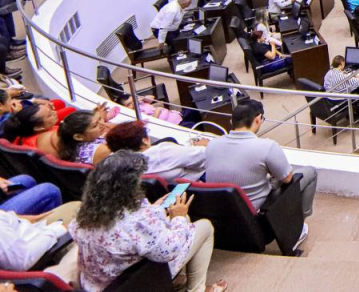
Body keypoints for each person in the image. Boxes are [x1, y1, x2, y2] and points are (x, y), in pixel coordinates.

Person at [69, 150, 225, 292]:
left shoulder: (85, 213)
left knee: (181, 221)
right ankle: (197, 289)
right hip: (135, 282)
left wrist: (156, 209)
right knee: (204, 226)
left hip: (98, 283)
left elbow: (132, 228)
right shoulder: (137, 221)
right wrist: (178, 216)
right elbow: (171, 250)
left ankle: (176, 280)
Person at [206, 99, 318, 222]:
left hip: (223, 213)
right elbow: (287, 178)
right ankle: (298, 224)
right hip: (255, 213)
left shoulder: (212, 145)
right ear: (258, 119)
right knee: (310, 172)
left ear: (233, 121)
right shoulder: (267, 146)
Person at [0, 197, 80, 280]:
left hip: (29, 229)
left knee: (75, 207)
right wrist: (59, 229)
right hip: (36, 249)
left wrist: (16, 217)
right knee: (81, 221)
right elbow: (21, 261)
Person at [104, 121, 207, 182]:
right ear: (144, 140)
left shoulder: (118, 165)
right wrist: (203, 145)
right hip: (198, 182)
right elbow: (206, 155)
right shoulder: (161, 152)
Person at [1, 99, 79, 153]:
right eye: (50, 115)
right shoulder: (55, 138)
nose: (55, 112)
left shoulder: (23, 132)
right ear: (38, 127)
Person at [114, 93, 184, 126]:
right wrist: (157, 111)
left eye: (133, 101)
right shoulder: (135, 115)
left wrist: (143, 98)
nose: (133, 104)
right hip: (174, 123)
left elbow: (152, 97)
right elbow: (151, 124)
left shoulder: (138, 103)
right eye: (129, 104)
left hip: (175, 113)